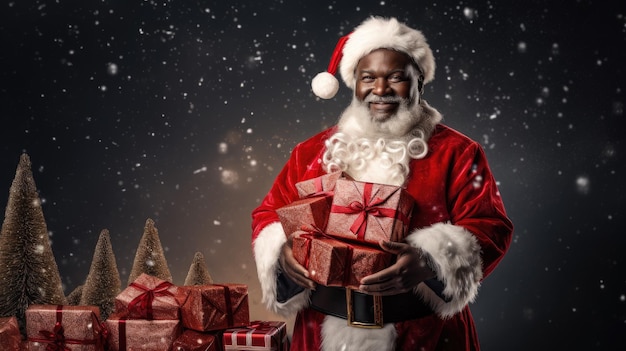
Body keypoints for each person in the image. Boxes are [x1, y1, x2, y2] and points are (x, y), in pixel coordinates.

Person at [251, 16, 513, 351]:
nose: (380, 90)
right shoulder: (310, 153)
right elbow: (269, 214)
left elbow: (490, 226)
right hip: (320, 335)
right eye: (368, 78)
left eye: (396, 78)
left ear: (419, 80)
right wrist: (281, 251)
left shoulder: (458, 153)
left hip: (425, 337)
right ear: (353, 83)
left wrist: (430, 261)